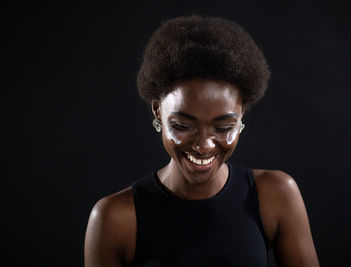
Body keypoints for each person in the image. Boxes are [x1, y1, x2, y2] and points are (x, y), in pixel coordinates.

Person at [84, 15, 320, 267]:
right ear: (157, 111)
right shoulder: (115, 218)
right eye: (183, 126)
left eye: (223, 127)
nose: (204, 145)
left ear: (241, 115)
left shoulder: (275, 195)